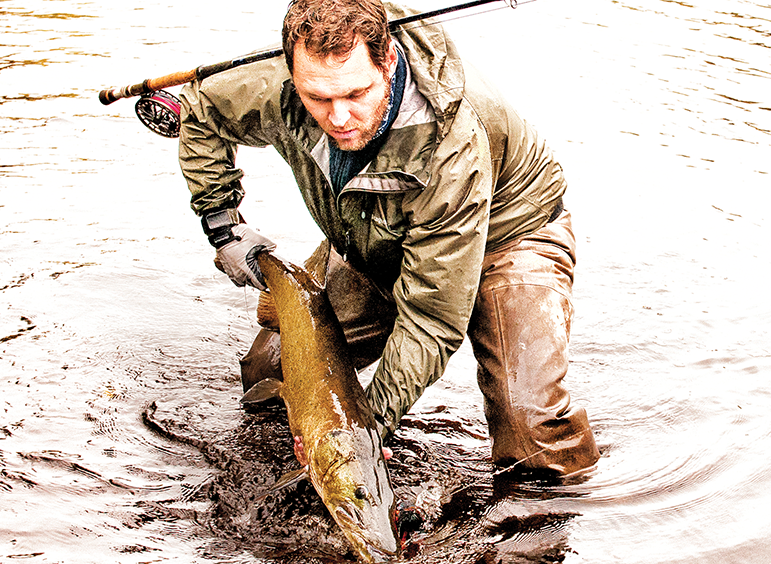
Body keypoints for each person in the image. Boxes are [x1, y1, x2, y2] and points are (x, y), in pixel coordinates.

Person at [178, 0, 599, 476]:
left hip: (510, 237)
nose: (338, 116)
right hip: (377, 236)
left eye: (357, 94)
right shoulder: (275, 83)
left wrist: (362, 432)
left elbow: (431, 318)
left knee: (532, 436)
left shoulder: (450, 148)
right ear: (291, 70)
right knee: (270, 375)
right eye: (317, 97)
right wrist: (223, 224)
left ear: (389, 61)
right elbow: (202, 109)